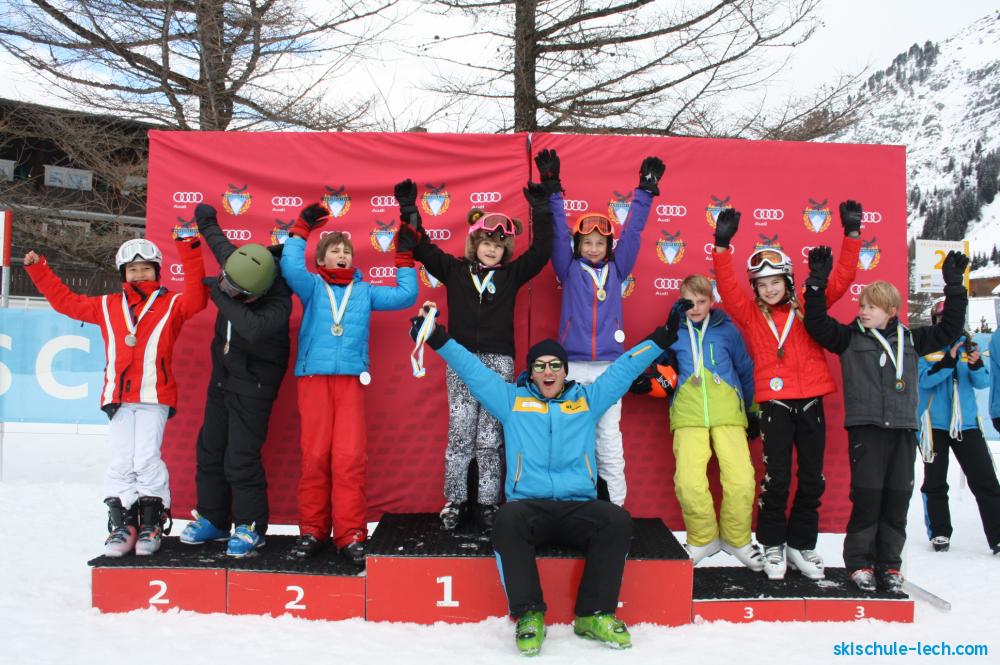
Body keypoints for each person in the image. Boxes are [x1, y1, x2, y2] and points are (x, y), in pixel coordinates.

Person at [407, 298, 692, 656]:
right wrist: (437, 338)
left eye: (555, 365)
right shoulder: (511, 401)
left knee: (616, 520)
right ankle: (529, 614)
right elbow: (473, 371)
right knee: (506, 520)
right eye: (540, 365)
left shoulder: (587, 400)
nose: (548, 371)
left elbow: (623, 369)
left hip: (578, 507)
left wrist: (663, 337)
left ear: (564, 371)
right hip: (530, 508)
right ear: (531, 372)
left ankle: (594, 615)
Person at [23, 236, 207, 556]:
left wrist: (188, 249)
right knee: (122, 461)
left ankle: (152, 522)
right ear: (123, 274)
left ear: (157, 271)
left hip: (153, 396)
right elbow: (66, 302)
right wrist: (39, 270)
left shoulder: (172, 304)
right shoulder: (107, 305)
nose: (139, 274)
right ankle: (124, 524)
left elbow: (197, 298)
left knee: (146, 458)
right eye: (132, 269)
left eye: (145, 268)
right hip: (118, 398)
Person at [711, 201, 863, 580]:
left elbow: (843, 279)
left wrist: (852, 235)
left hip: (811, 401)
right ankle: (773, 543)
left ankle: (801, 544)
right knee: (776, 478)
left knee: (812, 478)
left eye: (775, 282)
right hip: (775, 404)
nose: (769, 289)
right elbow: (727, 288)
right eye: (762, 284)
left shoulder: (809, 305)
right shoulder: (750, 314)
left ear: (789, 281)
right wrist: (721, 246)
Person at [802, 247, 969, 591]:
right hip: (867, 430)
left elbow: (951, 327)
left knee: (897, 499)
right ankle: (860, 563)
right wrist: (816, 283)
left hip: (903, 429)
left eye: (871, 307)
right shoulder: (849, 338)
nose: (863, 311)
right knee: (867, 498)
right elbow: (816, 323)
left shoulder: (913, 339)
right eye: (862, 305)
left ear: (891, 311)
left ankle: (890, 565)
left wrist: (954, 286)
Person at [394, 174, 553, 532]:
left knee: (490, 438)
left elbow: (542, 252)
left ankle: (487, 503)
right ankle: (455, 501)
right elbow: (421, 247)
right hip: (462, 361)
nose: (492, 249)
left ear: (505, 250)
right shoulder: (455, 270)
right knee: (461, 432)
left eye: (499, 244)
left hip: (499, 363)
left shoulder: (511, 275)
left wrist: (541, 209)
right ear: (474, 244)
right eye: (486, 242)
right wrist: (408, 209)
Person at [280, 201, 418, 563]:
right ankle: (312, 530)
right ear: (321, 259)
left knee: (349, 458)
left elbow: (406, 295)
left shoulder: (365, 291)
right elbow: (290, 266)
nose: (341, 256)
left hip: (350, 382)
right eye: (334, 251)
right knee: (314, 457)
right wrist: (301, 229)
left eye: (346, 251)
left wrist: (405, 257)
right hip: (313, 379)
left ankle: (350, 534)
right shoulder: (312, 286)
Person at [546, 151, 666, 507]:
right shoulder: (568, 268)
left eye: (600, 242)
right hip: (573, 366)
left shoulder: (617, 269)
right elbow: (557, 232)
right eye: (587, 242)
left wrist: (644, 193)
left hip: (610, 368)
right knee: (571, 437)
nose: (594, 248)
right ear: (578, 245)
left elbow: (634, 232)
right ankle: (572, 504)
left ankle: (615, 509)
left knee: (609, 439)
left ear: (609, 246)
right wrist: (553, 191)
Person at [177, 203, 292, 557]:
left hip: (254, 388)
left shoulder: (279, 302)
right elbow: (217, 241)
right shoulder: (236, 264)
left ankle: (249, 526)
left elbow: (251, 327)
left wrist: (219, 292)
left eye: (239, 293)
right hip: (222, 380)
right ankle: (213, 518)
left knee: (240, 457)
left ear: (259, 292)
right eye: (227, 283)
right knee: (210, 451)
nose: (231, 292)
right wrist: (206, 220)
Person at [632, 275, 762, 570]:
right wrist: (640, 378)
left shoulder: (727, 330)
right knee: (689, 482)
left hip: (729, 414)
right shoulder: (674, 331)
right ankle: (703, 538)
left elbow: (746, 370)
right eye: (689, 302)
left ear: (712, 301)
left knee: (741, 480)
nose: (695, 308)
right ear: (680, 301)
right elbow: (645, 354)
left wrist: (753, 412)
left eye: (702, 301)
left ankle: (737, 539)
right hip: (688, 414)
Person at [919, 304, 1000, 556]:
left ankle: (997, 535)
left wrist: (975, 365)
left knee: (985, 480)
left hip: (966, 424)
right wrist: (948, 361)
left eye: (951, 317)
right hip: (934, 425)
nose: (947, 321)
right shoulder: (926, 346)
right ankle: (939, 531)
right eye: (941, 317)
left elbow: (983, 382)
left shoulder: (969, 347)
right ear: (935, 320)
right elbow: (924, 380)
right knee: (935, 480)